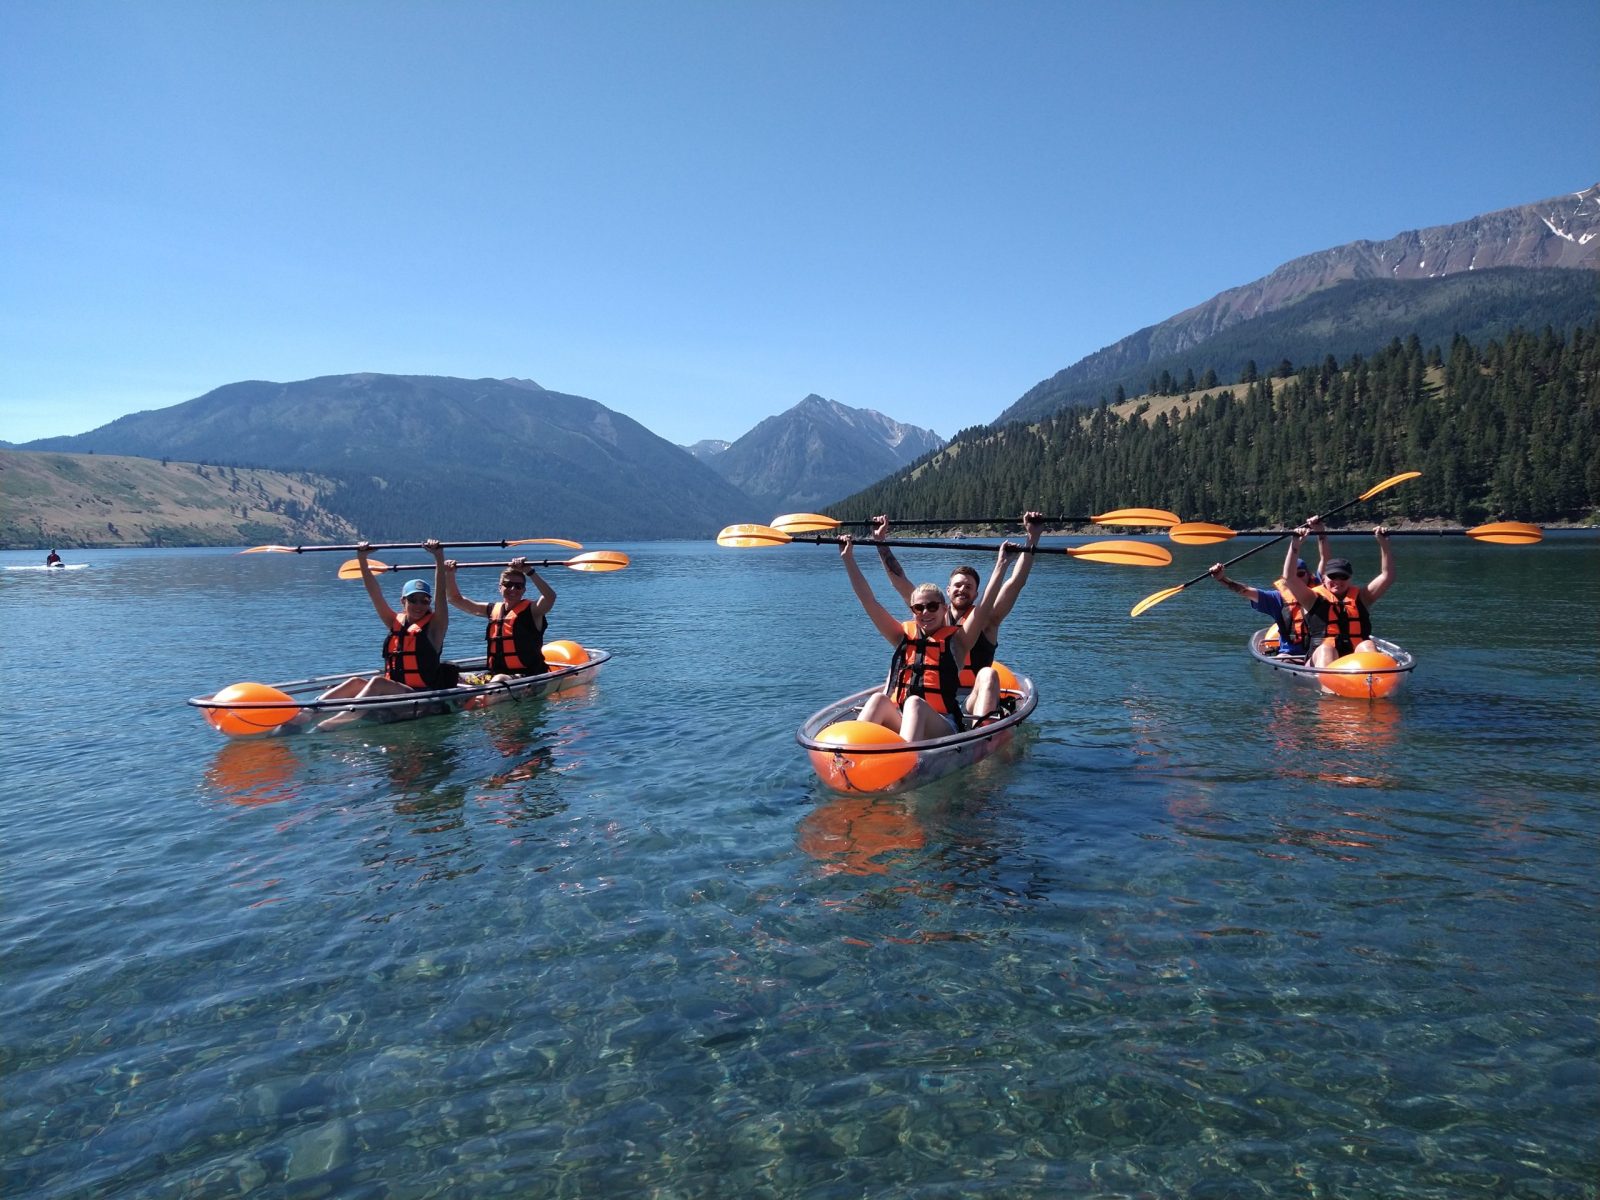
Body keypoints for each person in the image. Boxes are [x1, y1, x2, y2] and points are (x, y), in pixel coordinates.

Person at [870, 510, 1044, 718]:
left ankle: (982, 733)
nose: (962, 589)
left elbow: (1015, 583)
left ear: (976, 593)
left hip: (973, 699)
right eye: (958, 585)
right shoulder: (931, 615)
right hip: (931, 699)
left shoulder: (987, 620)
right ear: (948, 590)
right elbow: (899, 580)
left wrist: (1032, 538)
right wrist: (880, 542)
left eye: (968, 586)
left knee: (988, 674)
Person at [838, 534, 1012, 741]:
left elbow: (984, 606)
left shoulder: (958, 642)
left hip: (944, 724)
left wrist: (1002, 563)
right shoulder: (902, 637)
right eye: (919, 608)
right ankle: (854, 754)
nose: (925, 612)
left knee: (914, 703)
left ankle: (907, 767)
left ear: (944, 608)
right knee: (878, 700)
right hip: (904, 719)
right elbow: (868, 601)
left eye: (932, 606)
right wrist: (847, 558)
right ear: (913, 611)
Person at [316, 539, 453, 729]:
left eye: (424, 601)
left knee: (377, 683)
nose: (419, 605)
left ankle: (331, 724)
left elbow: (441, 595)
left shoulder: (436, 628)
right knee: (355, 682)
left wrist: (438, 557)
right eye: (413, 600)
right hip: (394, 694)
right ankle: (307, 713)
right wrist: (362, 558)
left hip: (421, 698)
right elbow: (374, 592)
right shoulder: (394, 622)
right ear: (403, 602)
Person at [1279, 517, 1395, 667]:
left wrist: (1384, 545)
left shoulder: (1363, 597)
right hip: (1319, 661)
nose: (1338, 581)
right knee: (1326, 649)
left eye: (1343, 577)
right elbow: (1289, 578)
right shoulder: (1312, 598)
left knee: (1367, 644)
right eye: (1333, 576)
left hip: (1354, 663)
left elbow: (1388, 576)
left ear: (1350, 578)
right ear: (1324, 578)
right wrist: (1295, 545)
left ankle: (1368, 682)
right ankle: (1328, 688)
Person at [1208, 526, 1329, 658]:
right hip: (1291, 655)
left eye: (1300, 574)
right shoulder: (1277, 599)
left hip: (1319, 653)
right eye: (1293, 575)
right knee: (1284, 658)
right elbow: (1245, 591)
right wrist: (1221, 579)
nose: (1297, 579)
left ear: (1308, 575)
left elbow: (1325, 560)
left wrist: (1320, 531)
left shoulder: (1320, 590)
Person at [443, 555, 556, 683]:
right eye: (508, 584)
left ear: (523, 590)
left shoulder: (533, 611)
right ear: (500, 588)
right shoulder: (492, 610)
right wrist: (449, 574)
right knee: (450, 675)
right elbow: (455, 599)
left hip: (528, 676)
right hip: (494, 675)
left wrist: (529, 571)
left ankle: (483, 700)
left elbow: (550, 597)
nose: (513, 589)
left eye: (518, 586)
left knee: (500, 679)